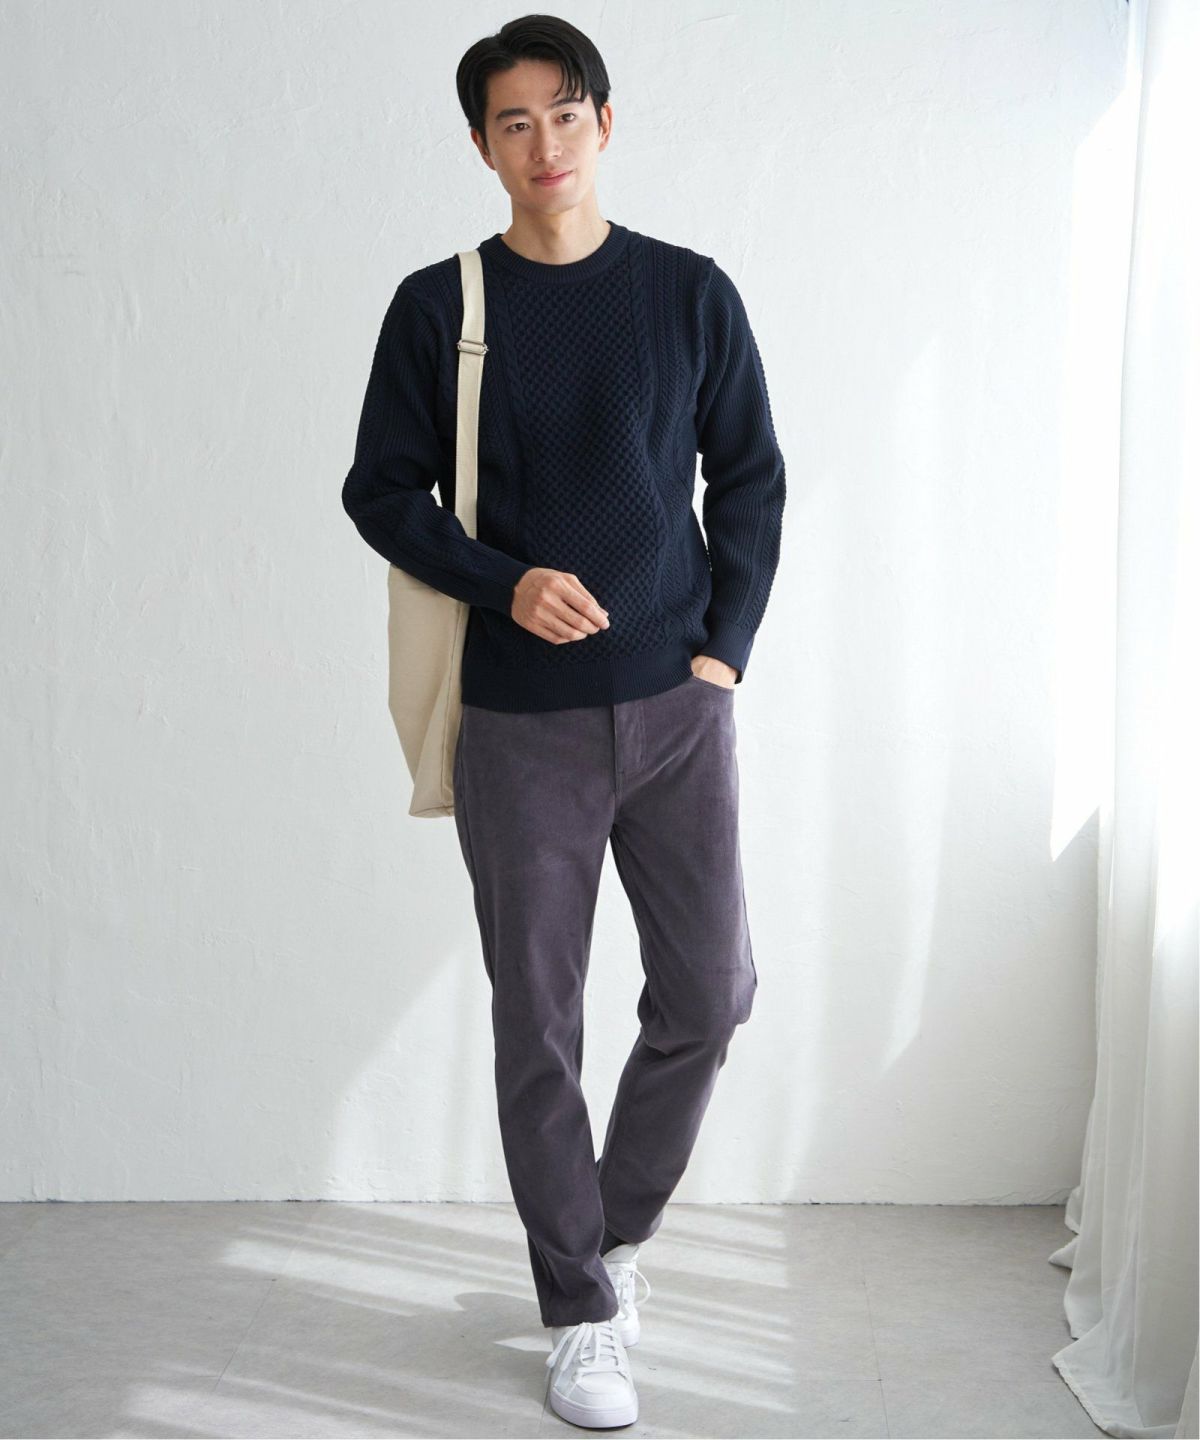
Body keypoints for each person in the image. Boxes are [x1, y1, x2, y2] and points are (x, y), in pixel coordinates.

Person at [342, 13, 786, 1429]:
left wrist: (721, 656)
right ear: (482, 146)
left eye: (564, 113)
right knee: (539, 1020)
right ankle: (581, 1313)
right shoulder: (441, 307)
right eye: (513, 122)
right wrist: (503, 581)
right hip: (520, 723)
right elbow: (380, 489)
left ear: (606, 122)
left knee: (710, 994)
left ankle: (609, 1238)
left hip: (677, 710)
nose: (544, 144)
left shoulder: (688, 293)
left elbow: (751, 478)